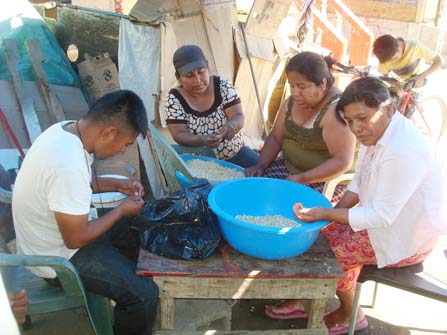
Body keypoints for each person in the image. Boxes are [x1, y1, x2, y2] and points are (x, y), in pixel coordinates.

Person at [268, 77, 446, 335]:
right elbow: (359, 183)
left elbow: (381, 217)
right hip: (383, 221)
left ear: (387, 110)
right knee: (320, 237)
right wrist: (330, 217)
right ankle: (306, 299)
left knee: (330, 255)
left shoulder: (404, 149)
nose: (356, 128)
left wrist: (329, 212)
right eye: (350, 121)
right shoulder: (377, 133)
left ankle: (351, 312)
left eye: (363, 118)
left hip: (409, 238)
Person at [12, 90, 159, 335]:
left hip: (54, 237)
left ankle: (123, 287)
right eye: (125, 144)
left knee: (136, 222)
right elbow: (75, 238)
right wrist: (121, 209)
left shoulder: (65, 130)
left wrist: (117, 184)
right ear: (109, 133)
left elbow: (77, 181)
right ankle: (131, 296)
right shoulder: (67, 163)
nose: (123, 150)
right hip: (56, 260)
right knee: (144, 295)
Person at [245, 52, 356, 202]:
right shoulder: (292, 102)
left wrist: (302, 178)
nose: (295, 93)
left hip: (325, 182)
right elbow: (276, 137)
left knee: (281, 203)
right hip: (290, 170)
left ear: (322, 84)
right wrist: (261, 164)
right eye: (292, 85)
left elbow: (342, 161)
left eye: (302, 86)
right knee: (251, 188)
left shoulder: (336, 111)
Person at [164, 44, 260, 168]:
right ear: (178, 78)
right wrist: (203, 140)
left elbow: (238, 116)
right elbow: (179, 134)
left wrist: (231, 126)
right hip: (200, 163)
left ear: (208, 68)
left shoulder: (223, 87)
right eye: (189, 75)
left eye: (201, 72)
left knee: (263, 172)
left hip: (236, 154)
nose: (197, 79)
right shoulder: (174, 99)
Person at [373, 34, 443, 88]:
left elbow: (438, 61)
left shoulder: (414, 46)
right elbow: (385, 76)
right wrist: (396, 86)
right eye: (388, 61)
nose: (392, 62)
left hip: (417, 83)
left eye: (394, 58)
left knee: (410, 104)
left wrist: (420, 76)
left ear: (399, 46)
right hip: (401, 85)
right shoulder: (384, 54)